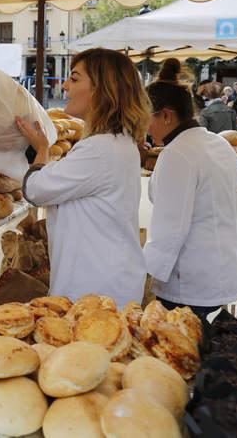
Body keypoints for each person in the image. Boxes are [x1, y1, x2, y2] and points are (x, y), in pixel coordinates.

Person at [16, 48, 152, 306]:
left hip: (96, 291)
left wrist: (42, 149)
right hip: (109, 282)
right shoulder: (117, 142)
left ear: (103, 90)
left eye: (75, 78)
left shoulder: (99, 149)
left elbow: (35, 189)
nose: (65, 86)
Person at [143, 59, 237, 319]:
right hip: (224, 268)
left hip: (191, 279)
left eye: (146, 120)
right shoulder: (218, 143)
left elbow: (169, 229)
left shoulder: (177, 153)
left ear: (166, 115)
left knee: (181, 351)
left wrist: (143, 276)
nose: (144, 128)